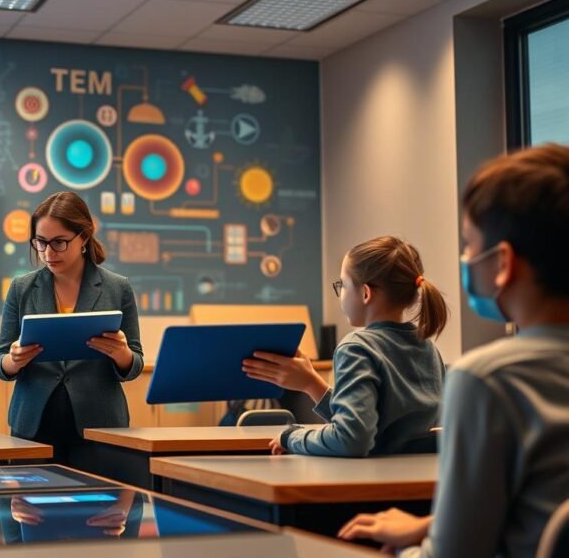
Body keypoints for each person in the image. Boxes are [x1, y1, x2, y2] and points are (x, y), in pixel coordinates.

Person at [338, 144, 569, 557]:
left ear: (502, 263)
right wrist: (432, 524)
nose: (465, 257)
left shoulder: (488, 380)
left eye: (469, 244)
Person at [243, 236, 448, 457]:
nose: (340, 294)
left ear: (365, 293)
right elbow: (375, 429)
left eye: (342, 284)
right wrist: (311, 383)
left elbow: (351, 439)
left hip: (369, 485)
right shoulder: (427, 347)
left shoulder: (356, 347)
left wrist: (292, 437)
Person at [0, 191, 144, 470]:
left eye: (59, 242)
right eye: (41, 243)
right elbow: (0, 362)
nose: (48, 253)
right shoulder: (21, 288)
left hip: (99, 427)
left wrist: (122, 354)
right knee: (33, 511)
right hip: (34, 427)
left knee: (96, 508)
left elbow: (134, 364)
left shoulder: (117, 287)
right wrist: (12, 360)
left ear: (84, 237)